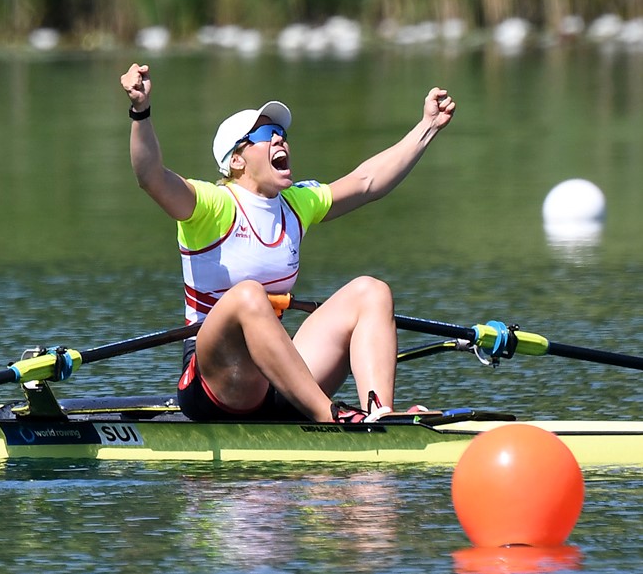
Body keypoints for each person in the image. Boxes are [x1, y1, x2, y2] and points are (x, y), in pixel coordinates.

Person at [120, 63, 456, 423]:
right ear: (236, 160)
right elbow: (150, 176)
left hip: (275, 381)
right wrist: (141, 111)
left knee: (371, 292)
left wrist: (427, 127)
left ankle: (381, 414)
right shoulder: (210, 205)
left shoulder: (296, 203)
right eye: (266, 133)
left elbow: (367, 182)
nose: (280, 139)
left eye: (281, 132)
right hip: (216, 383)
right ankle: (329, 415)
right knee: (249, 295)